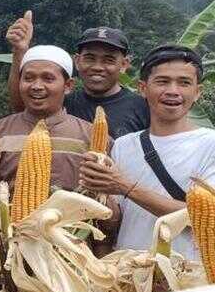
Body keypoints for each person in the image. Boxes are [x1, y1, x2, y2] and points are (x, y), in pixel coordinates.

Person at [79, 45, 212, 260]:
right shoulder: (123, 145)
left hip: (187, 277)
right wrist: (95, 192)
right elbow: (116, 219)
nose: (173, 90)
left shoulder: (210, 144)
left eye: (184, 83)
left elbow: (205, 218)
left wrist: (124, 186)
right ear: (142, 88)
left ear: (197, 92)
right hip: (127, 275)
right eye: (162, 81)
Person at [0, 45, 97, 212]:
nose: (36, 86)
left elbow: (108, 204)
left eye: (48, 79)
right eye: (28, 78)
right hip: (9, 234)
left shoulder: (89, 135)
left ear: (68, 85)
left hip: (71, 235)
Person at [6, 13, 148, 138]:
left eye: (108, 60)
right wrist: (20, 50)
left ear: (124, 64)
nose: (97, 67)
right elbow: (22, 108)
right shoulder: (62, 103)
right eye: (90, 58)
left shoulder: (143, 108)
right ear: (77, 61)